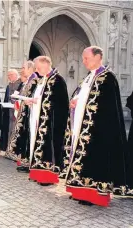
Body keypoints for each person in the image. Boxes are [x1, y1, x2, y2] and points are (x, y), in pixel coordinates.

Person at [60, 46, 131, 206]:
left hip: (99, 130)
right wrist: (74, 102)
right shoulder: (88, 78)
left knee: (95, 162)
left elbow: (108, 108)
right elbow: (82, 97)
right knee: (81, 159)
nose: (84, 61)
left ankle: (94, 194)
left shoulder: (107, 78)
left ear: (98, 57)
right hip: (82, 126)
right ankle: (80, 189)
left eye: (87, 58)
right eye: (83, 58)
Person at [25, 56, 68, 185]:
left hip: (51, 122)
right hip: (39, 118)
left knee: (49, 150)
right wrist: (32, 102)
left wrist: (38, 103)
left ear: (46, 64)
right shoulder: (42, 79)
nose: (36, 70)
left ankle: (48, 176)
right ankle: (37, 172)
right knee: (37, 146)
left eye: (38, 67)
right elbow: (39, 97)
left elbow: (61, 103)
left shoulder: (58, 80)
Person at [5, 61, 38, 172]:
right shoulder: (29, 80)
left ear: (30, 68)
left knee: (28, 138)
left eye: (23, 68)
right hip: (23, 113)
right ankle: (24, 161)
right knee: (24, 138)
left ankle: (29, 163)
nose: (21, 70)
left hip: (30, 114)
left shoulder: (35, 80)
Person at [0, 69, 22, 154]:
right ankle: (8, 149)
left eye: (10, 75)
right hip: (8, 112)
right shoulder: (9, 85)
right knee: (9, 130)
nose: (9, 77)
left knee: (14, 131)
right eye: (8, 75)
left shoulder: (20, 85)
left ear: (16, 75)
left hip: (16, 112)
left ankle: (13, 151)